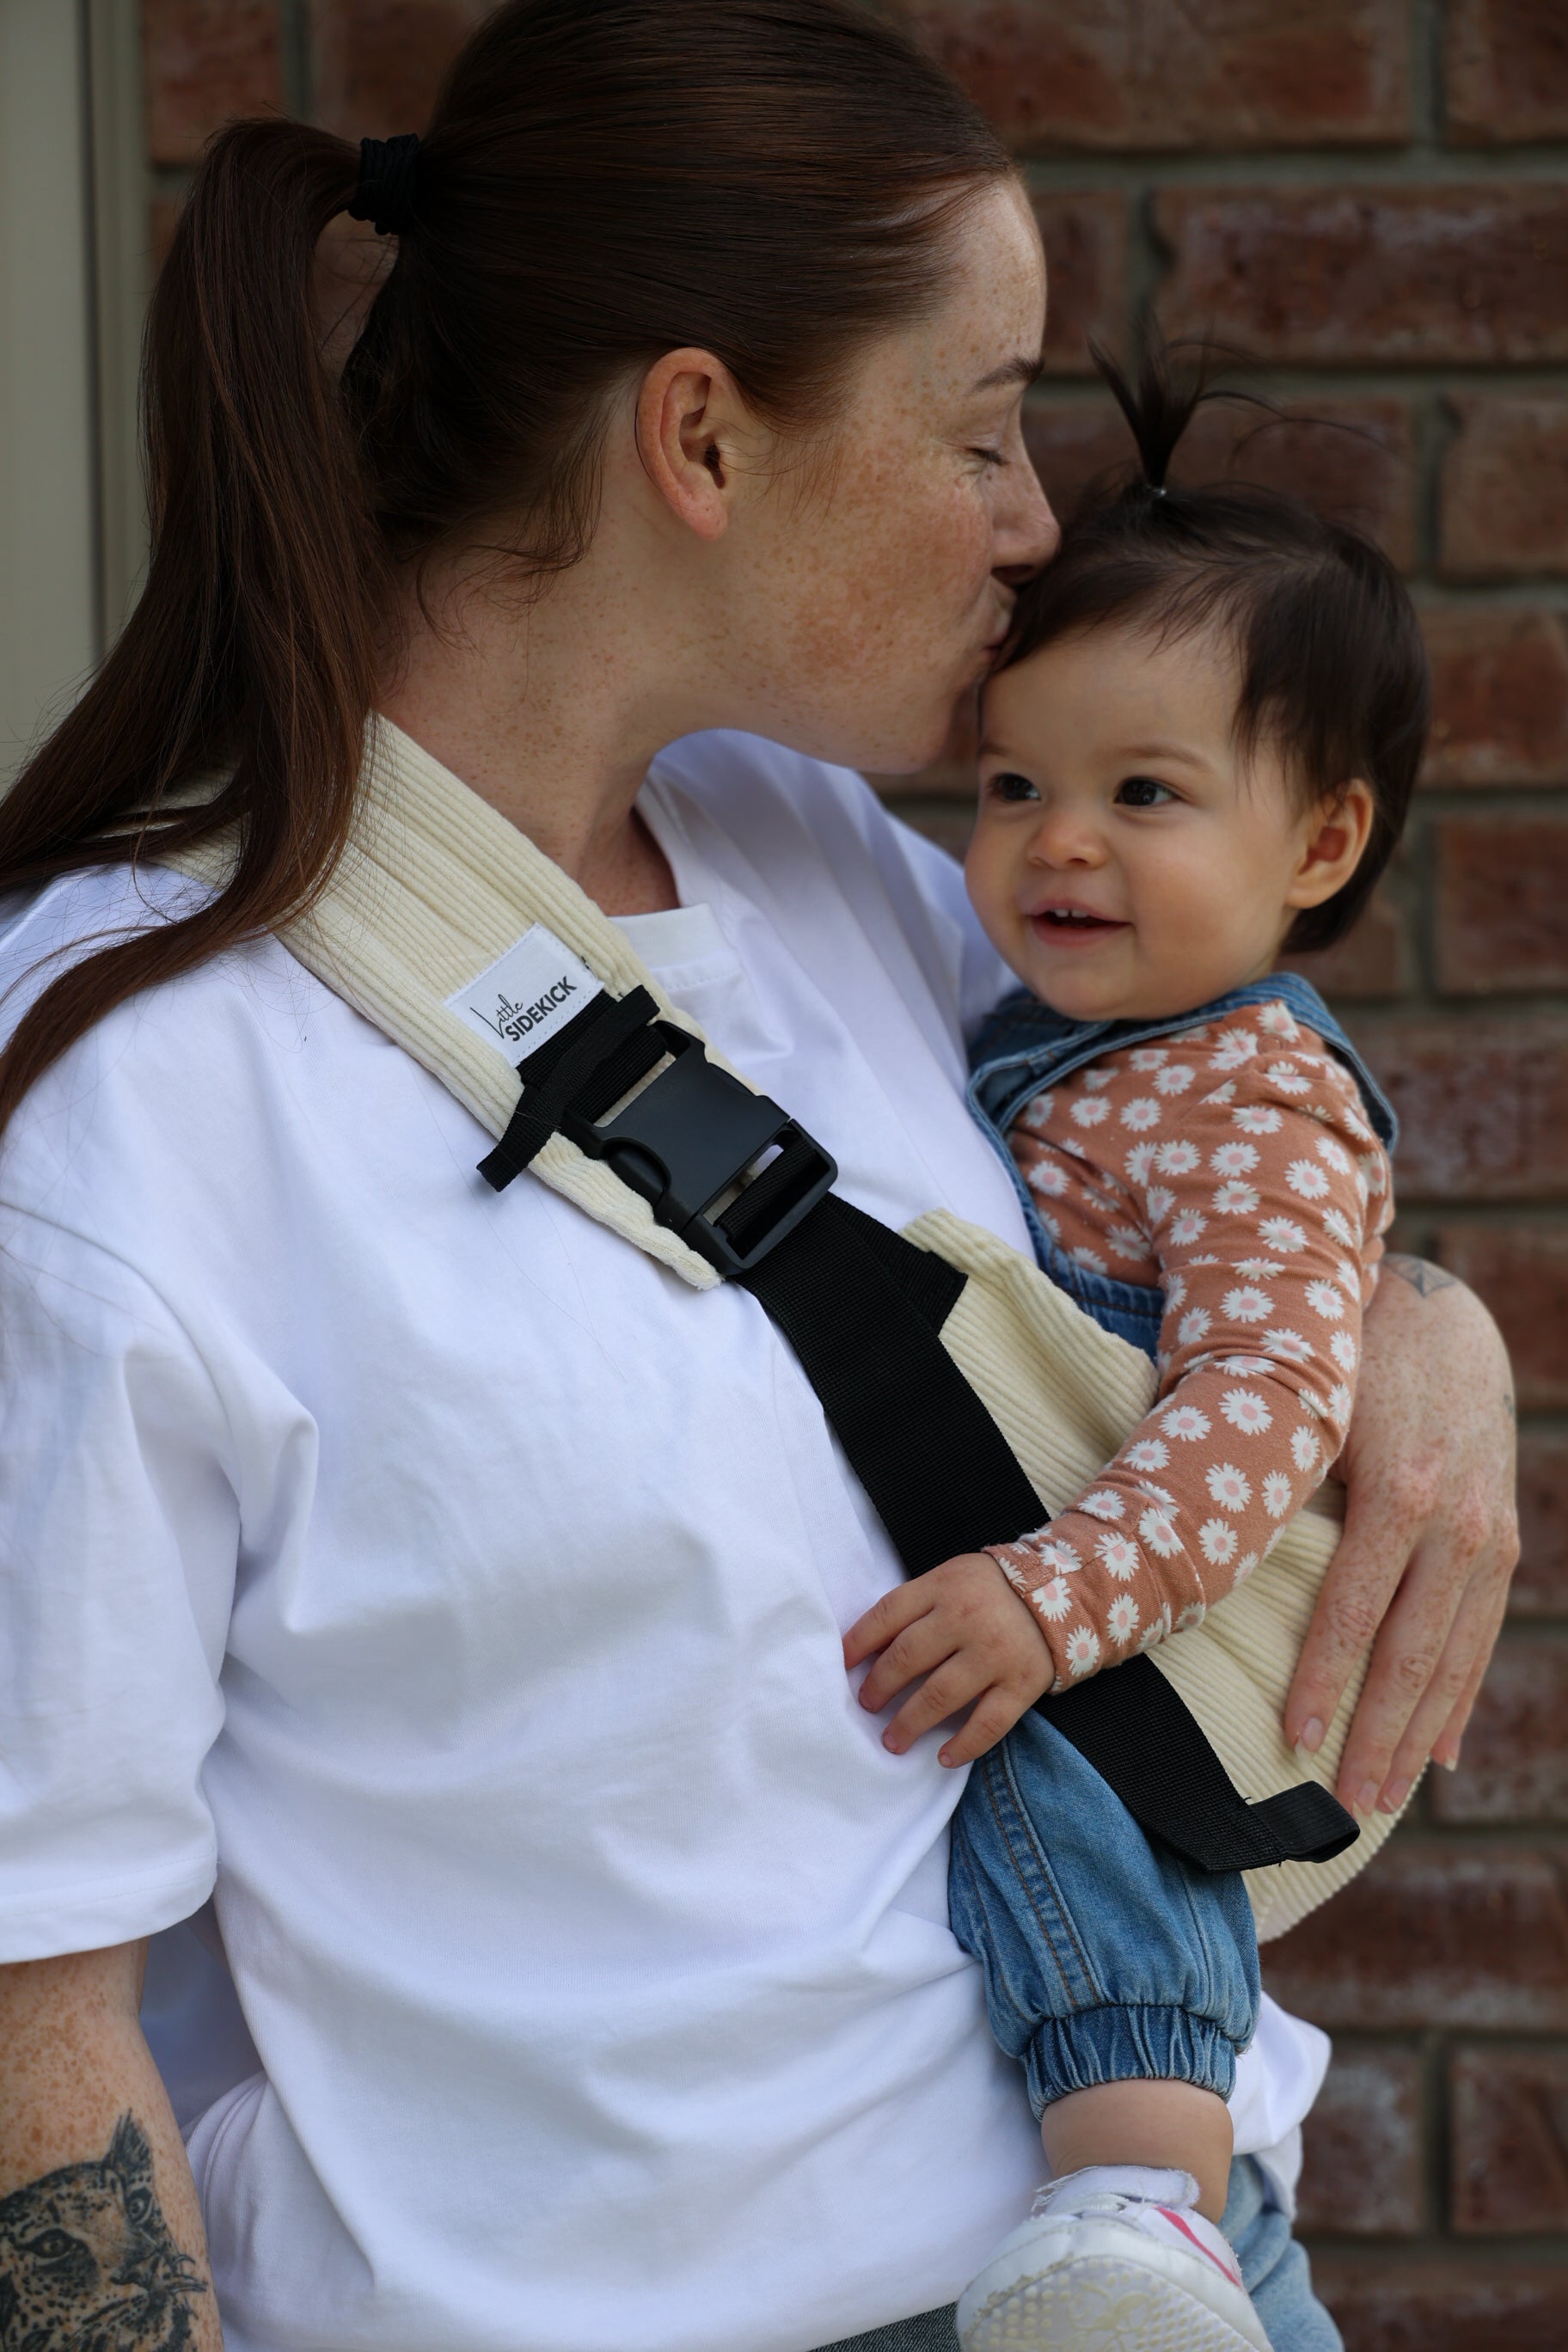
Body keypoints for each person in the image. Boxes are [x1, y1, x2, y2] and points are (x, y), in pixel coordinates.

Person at [0, 7, 1517, 2351]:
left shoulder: (826, 858)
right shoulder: (137, 1084)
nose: (1036, 528)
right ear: (700, 435)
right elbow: (33, 1997)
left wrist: (1429, 1336)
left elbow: (1155, 1211)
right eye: (984, 428)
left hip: (1185, 2269)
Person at [843, 345, 1425, 2352]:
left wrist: (1055, 1595)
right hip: (1062, 1556)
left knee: (1108, 1837)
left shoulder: (1251, 1094)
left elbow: (1267, 1396)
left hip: (1135, 1595)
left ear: (1323, 846)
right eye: (1017, 787)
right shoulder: (1049, 1033)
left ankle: (1140, 2214)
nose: (1057, 844)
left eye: (1145, 796)